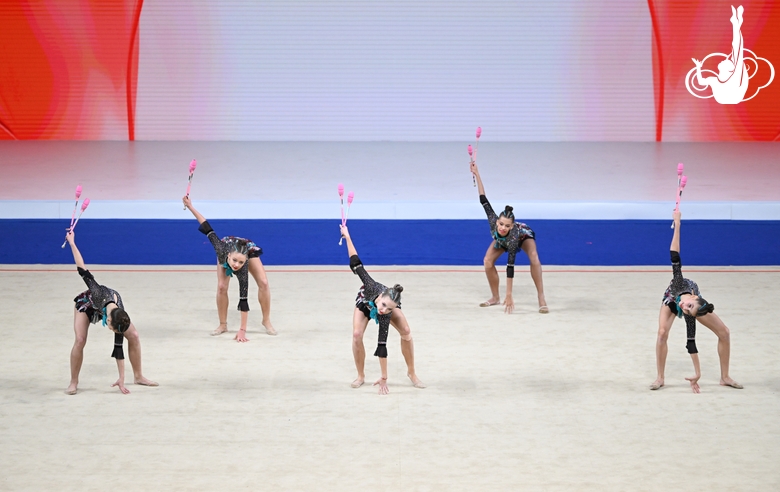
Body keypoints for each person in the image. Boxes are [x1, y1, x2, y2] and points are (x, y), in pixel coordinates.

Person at [650, 210, 742, 393]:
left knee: (724, 332)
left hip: (697, 306)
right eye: (689, 306)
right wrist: (678, 223)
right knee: (662, 333)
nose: (685, 308)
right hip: (671, 298)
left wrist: (697, 373)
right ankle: (660, 377)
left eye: (688, 310)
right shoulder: (679, 283)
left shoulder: (690, 313)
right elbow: (674, 253)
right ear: (693, 297)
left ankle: (725, 377)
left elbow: (690, 343)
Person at [64, 230, 157, 395]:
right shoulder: (98, 292)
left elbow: (118, 346)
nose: (110, 330)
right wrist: (72, 242)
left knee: (133, 335)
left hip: (106, 308)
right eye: (111, 328)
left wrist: (121, 378)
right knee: (80, 339)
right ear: (107, 320)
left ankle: (138, 376)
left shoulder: (119, 315)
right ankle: (73, 381)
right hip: (87, 304)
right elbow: (82, 268)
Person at [340, 224, 425, 394]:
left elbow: (382, 345)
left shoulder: (386, 313)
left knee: (406, 331)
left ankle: (412, 372)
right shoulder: (371, 287)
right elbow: (355, 261)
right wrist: (347, 236)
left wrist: (384, 377)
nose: (383, 310)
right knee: (357, 335)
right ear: (381, 297)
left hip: (384, 303)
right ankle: (360, 375)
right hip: (365, 302)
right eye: (384, 305)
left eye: (389, 309)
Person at [183, 196, 276, 341]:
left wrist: (242, 331)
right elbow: (206, 225)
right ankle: (222, 324)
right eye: (234, 261)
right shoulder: (220, 248)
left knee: (263, 282)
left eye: (240, 263)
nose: (236, 266)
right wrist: (190, 206)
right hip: (230, 246)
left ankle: (266, 320)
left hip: (245, 247)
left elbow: (243, 299)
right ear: (228, 256)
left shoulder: (242, 265)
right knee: (221, 286)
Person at [470, 160, 548, 314]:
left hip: (523, 236)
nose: (502, 228)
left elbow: (510, 267)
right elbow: (483, 198)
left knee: (534, 257)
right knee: (487, 261)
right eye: (501, 224)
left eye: (506, 226)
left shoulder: (513, 236)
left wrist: (510, 295)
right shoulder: (494, 222)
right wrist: (477, 173)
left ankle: (541, 296)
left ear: (511, 226)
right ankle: (495, 297)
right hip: (502, 241)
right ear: (497, 222)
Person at [692, 5, 748, 104]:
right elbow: (701, 82)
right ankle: (736, 23)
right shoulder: (715, 80)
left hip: (733, 96)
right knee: (737, 52)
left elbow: (737, 49)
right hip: (729, 97)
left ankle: (736, 23)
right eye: (728, 60)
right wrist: (698, 67)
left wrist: (736, 25)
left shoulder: (733, 78)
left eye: (727, 61)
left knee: (737, 51)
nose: (725, 59)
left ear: (729, 69)